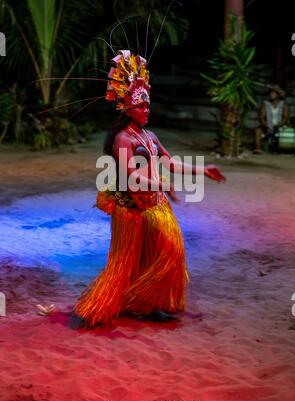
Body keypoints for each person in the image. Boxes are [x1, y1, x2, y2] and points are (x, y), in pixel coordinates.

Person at [72, 49, 226, 328]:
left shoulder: (150, 136)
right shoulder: (122, 139)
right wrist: (162, 184)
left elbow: (170, 162)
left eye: (148, 105)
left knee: (170, 251)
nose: (147, 110)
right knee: (126, 262)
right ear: (128, 108)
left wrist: (203, 170)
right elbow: (131, 174)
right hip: (132, 210)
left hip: (155, 205)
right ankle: (113, 304)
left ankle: (146, 301)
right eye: (142, 106)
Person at [253, 85, 289, 154]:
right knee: (257, 131)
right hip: (267, 126)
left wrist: (279, 126)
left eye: (273, 93)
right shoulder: (265, 104)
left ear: (278, 95)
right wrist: (267, 126)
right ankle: (258, 149)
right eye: (270, 93)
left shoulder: (284, 105)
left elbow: (285, 118)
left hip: (279, 126)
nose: (271, 95)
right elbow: (261, 118)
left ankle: (280, 148)